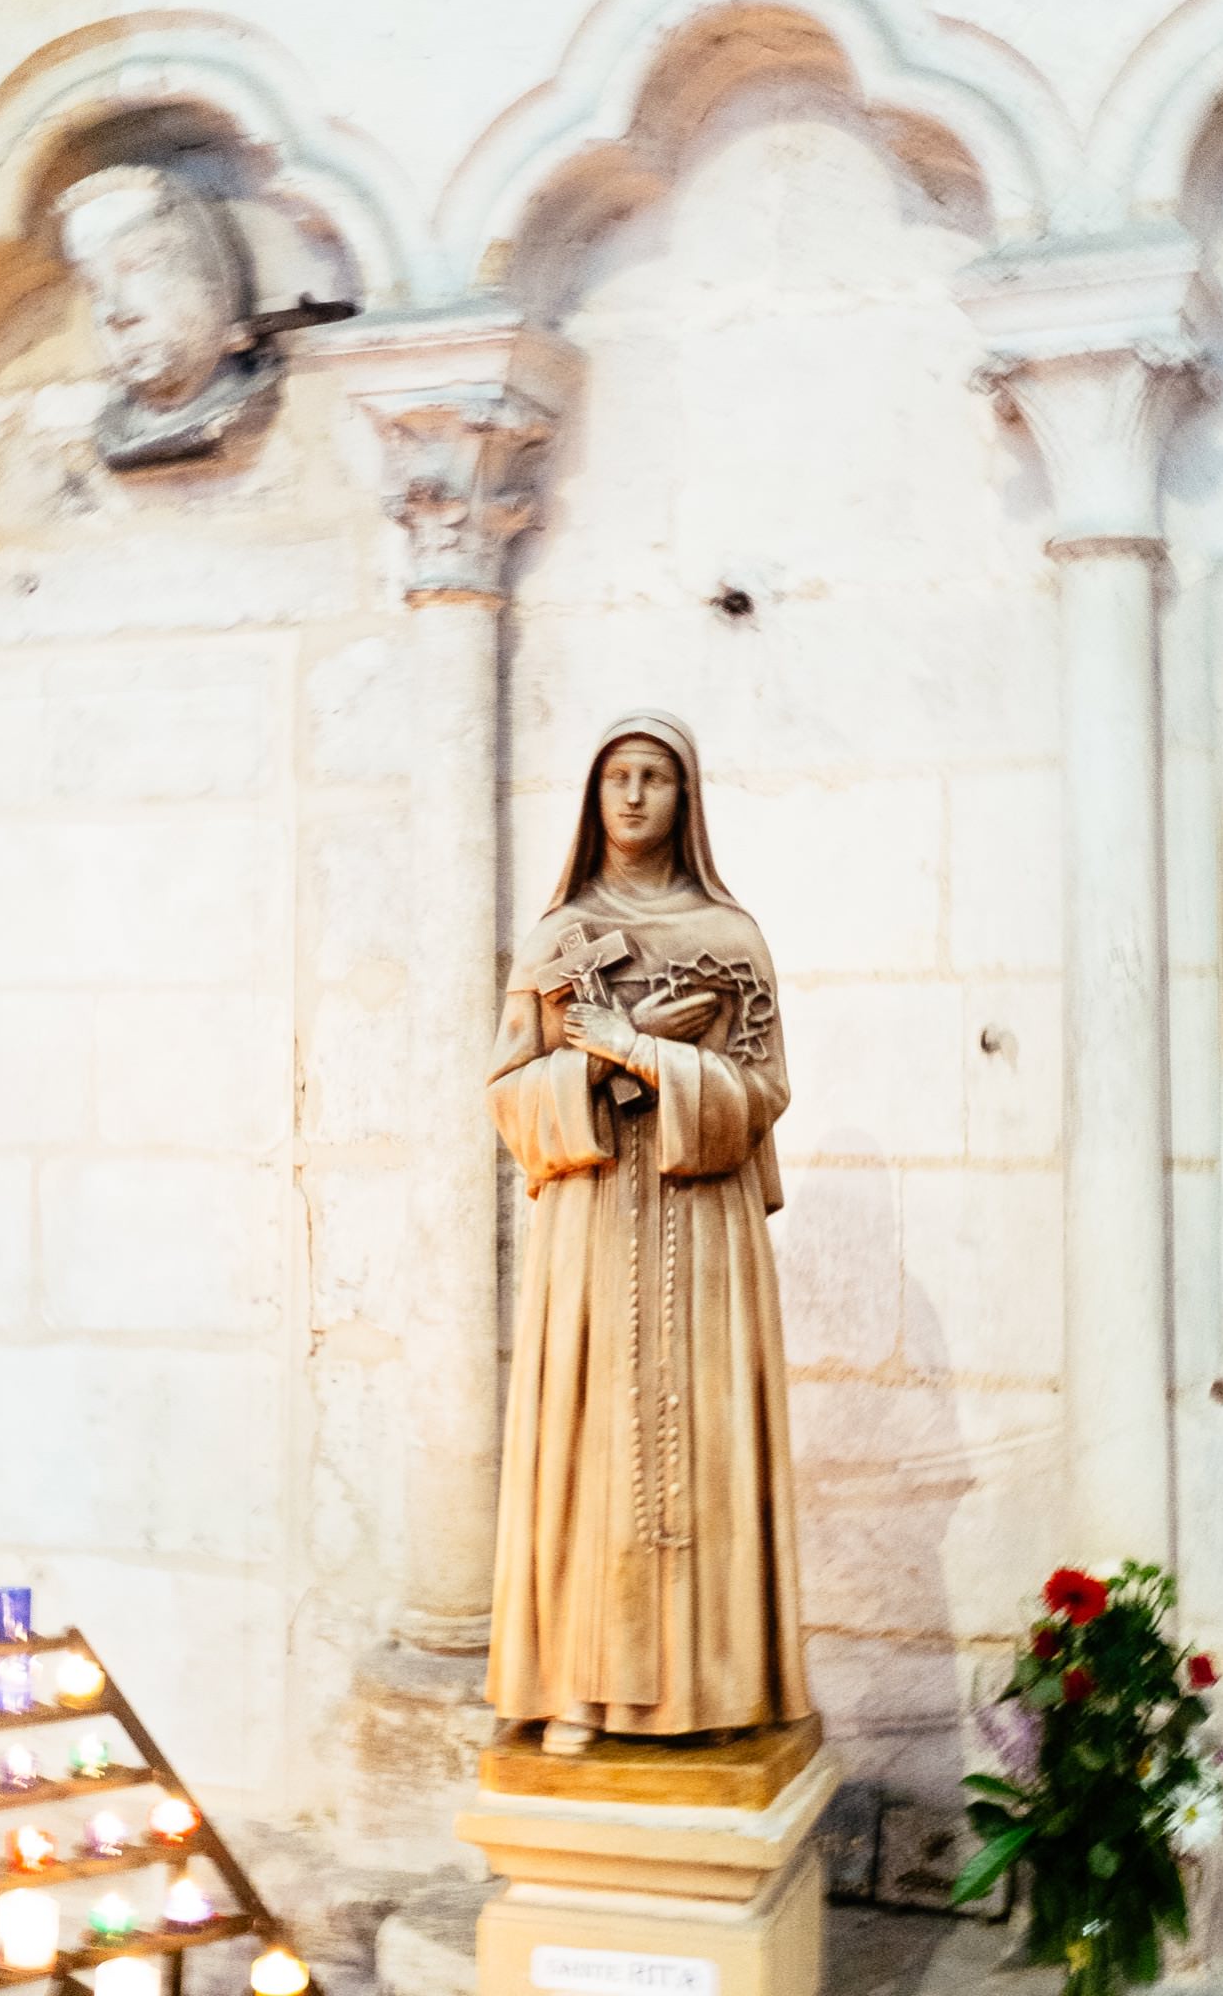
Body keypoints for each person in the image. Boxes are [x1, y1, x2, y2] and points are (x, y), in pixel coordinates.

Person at [486, 710, 811, 1755]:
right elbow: (506, 1095)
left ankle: (714, 1689)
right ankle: (578, 1686)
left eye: (655, 777)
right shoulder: (558, 941)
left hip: (705, 1233)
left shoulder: (732, 939)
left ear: (686, 798)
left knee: (703, 1442)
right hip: (590, 1227)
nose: (633, 795)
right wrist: (594, 1061)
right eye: (617, 776)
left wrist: (646, 1052)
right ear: (594, 797)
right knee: (591, 1443)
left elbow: (764, 1090)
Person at [55, 165, 279, 467]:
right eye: (93, 284)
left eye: (142, 264)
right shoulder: (114, 431)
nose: (117, 312)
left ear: (219, 282)